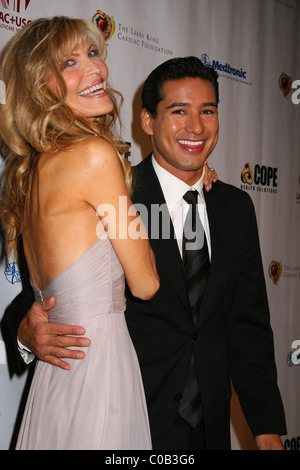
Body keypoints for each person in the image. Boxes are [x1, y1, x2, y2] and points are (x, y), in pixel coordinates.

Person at [3, 56, 286, 450]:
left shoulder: (235, 209)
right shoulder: (113, 192)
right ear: (148, 121)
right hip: (129, 417)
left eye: (208, 111)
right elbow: (38, 289)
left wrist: (266, 429)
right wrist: (24, 330)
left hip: (211, 429)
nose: (196, 127)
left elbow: (248, 325)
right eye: (179, 111)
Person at [0, 16, 162, 450]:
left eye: (93, 54)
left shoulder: (28, 176)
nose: (95, 70)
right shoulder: (94, 155)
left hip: (54, 379)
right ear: (40, 87)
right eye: (70, 62)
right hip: (99, 369)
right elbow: (146, 283)